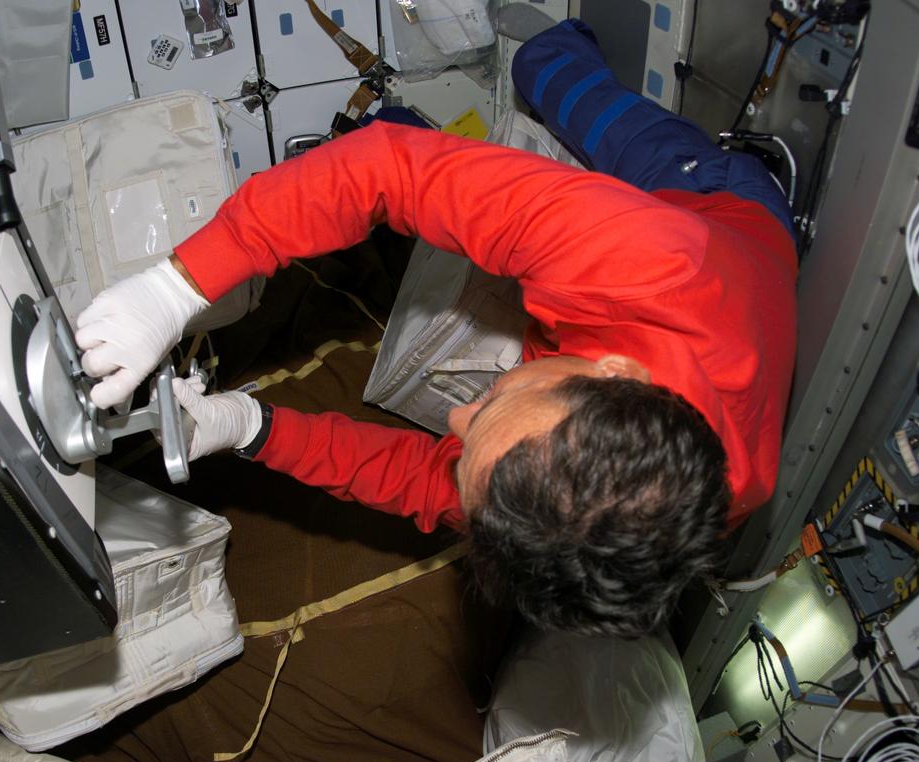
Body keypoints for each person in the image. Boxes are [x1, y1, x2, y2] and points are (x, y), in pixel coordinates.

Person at [72, 20, 799, 640]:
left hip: (734, 294)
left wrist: (249, 425)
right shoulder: (645, 264)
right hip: (716, 199)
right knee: (541, 67)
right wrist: (177, 286)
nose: (456, 414)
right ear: (615, 374)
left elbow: (423, 480)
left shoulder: (589, 513)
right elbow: (387, 170)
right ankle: (565, 42)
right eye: (490, 406)